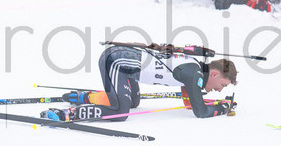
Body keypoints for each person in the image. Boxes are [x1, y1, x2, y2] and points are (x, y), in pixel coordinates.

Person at [41, 43, 237, 122]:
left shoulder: (194, 69)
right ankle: (65, 114)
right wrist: (223, 107)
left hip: (126, 68)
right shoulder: (194, 74)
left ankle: (86, 96)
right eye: (223, 85)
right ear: (214, 74)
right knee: (120, 112)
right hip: (117, 61)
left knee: (133, 102)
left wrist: (218, 104)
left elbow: (190, 103)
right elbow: (200, 111)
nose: (220, 90)